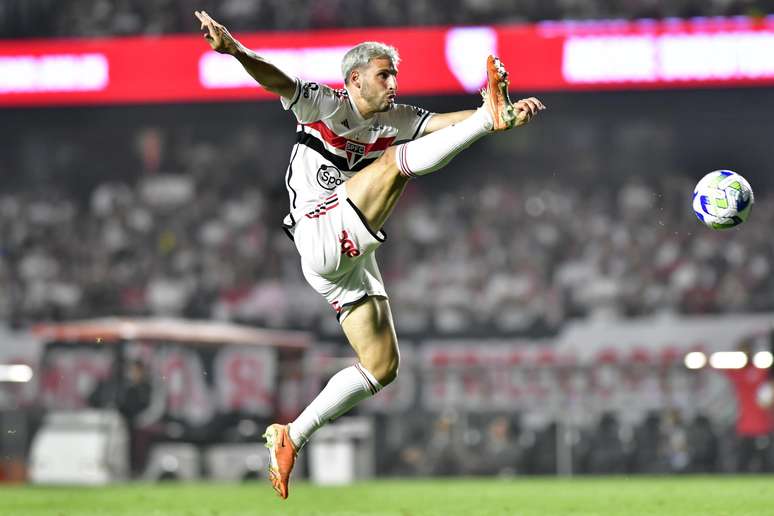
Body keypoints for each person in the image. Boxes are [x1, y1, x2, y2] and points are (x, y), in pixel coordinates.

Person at [194, 10, 545, 498]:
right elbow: (275, 78)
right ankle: (491, 118)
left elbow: (444, 122)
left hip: (346, 255)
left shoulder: (395, 118)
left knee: (381, 366)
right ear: (354, 79)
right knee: (394, 163)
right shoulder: (321, 104)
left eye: (395, 75)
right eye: (385, 75)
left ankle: (291, 435)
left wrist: (499, 114)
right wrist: (235, 50)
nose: (393, 83)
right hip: (318, 229)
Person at [722, 339, 774, 473]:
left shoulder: (760, 371)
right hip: (745, 427)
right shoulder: (737, 373)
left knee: (766, 465)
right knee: (742, 463)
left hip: (763, 426)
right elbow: (720, 366)